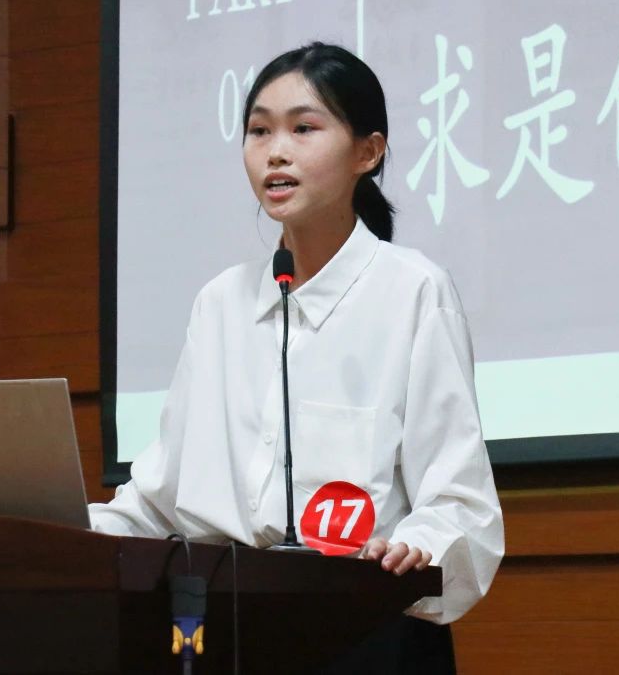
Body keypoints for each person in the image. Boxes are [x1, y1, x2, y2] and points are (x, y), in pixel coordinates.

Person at [90, 42, 503, 673]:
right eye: (259, 131)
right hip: (229, 634)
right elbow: (158, 497)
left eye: (303, 128)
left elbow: (459, 500)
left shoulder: (413, 292)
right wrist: (62, 530)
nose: (275, 152)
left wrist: (414, 546)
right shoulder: (221, 303)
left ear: (368, 152)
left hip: (362, 631)